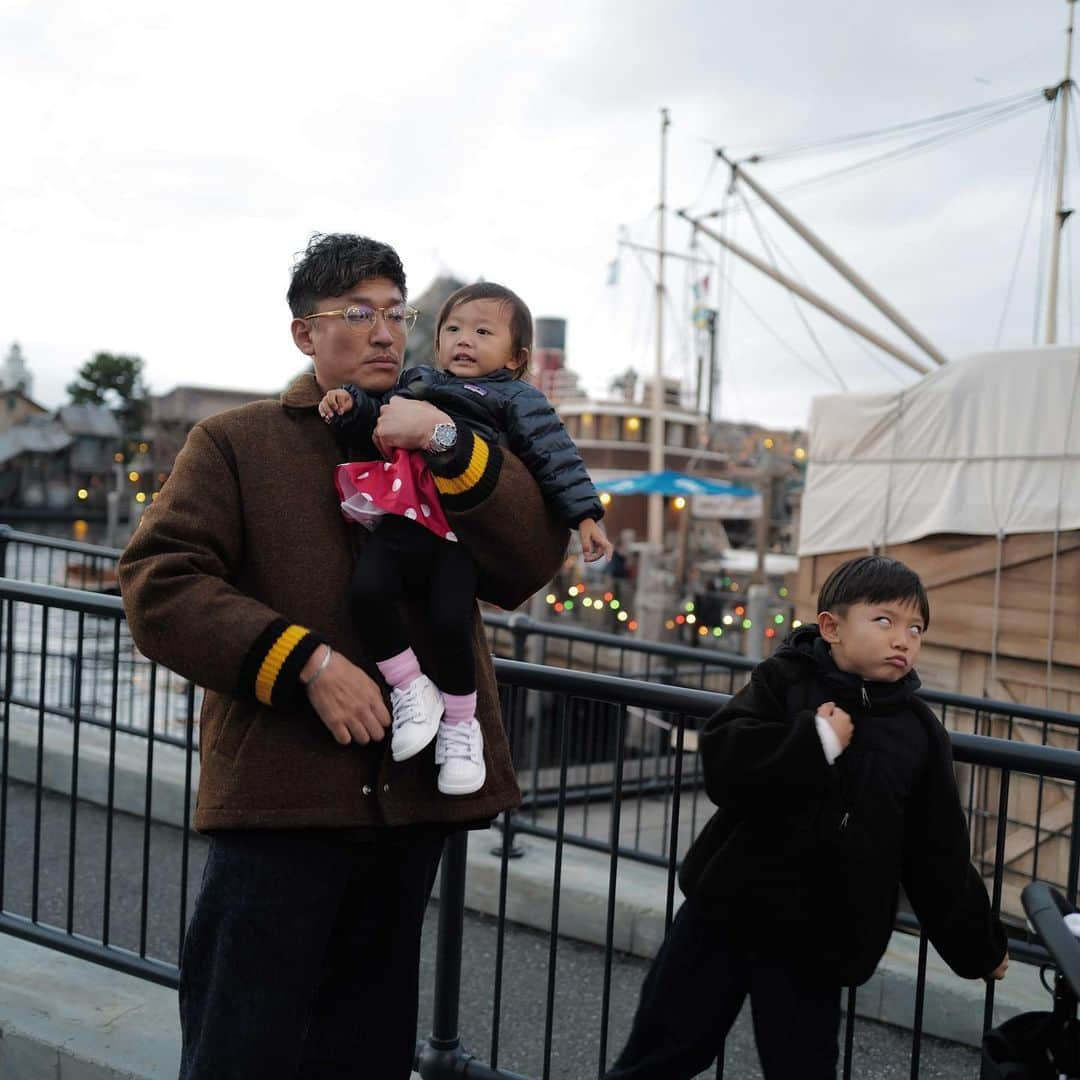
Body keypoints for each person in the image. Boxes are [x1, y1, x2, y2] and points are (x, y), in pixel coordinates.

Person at [117, 233, 569, 1079]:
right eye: (357, 313)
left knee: (365, 1042)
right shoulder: (236, 442)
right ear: (304, 334)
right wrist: (304, 663)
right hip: (281, 798)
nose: (387, 333)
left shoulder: (449, 424)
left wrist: (448, 444)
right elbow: (158, 584)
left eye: (397, 314)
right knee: (241, 1038)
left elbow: (526, 567)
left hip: (410, 800)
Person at [605, 554, 1009, 1080]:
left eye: (916, 628)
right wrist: (813, 742)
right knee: (662, 1050)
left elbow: (938, 855)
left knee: (802, 1066)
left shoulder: (918, 732)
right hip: (727, 912)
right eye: (884, 620)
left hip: (820, 938)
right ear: (831, 627)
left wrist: (979, 948)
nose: (903, 639)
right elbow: (725, 758)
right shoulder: (785, 681)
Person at [317, 281, 612, 796]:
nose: (463, 340)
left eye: (482, 331)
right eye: (452, 329)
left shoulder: (518, 398)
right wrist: (352, 405)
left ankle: (460, 724)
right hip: (406, 516)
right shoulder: (419, 380)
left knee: (450, 620)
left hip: (457, 532)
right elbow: (379, 417)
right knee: (366, 591)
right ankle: (411, 687)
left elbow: (553, 456)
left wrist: (586, 515)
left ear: (517, 356)